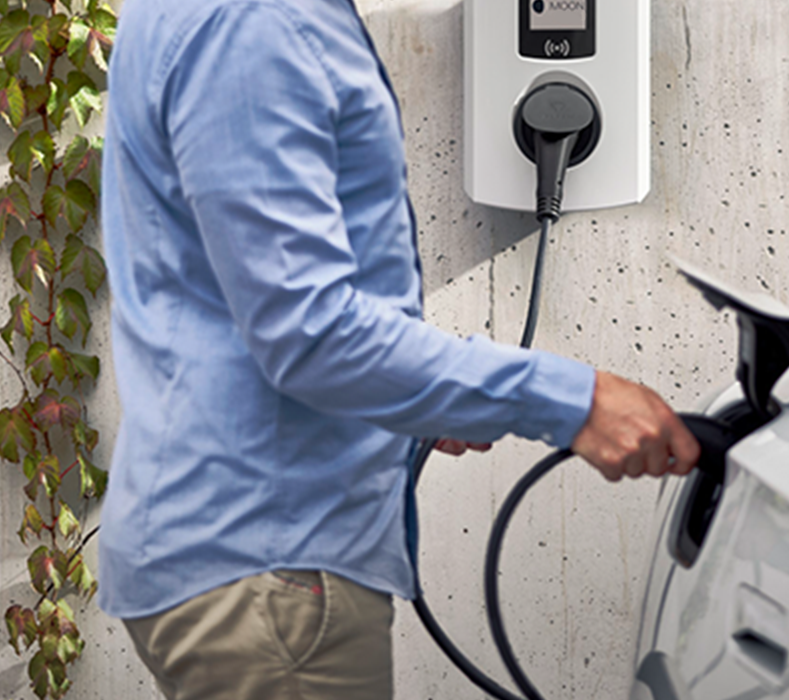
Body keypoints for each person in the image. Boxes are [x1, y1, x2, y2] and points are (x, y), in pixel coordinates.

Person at [97, 0, 699, 698]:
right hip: (273, 567)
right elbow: (310, 333)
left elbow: (237, 297)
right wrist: (575, 400)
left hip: (249, 551)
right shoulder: (256, 22)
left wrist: (404, 395)